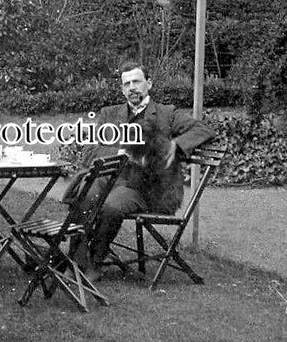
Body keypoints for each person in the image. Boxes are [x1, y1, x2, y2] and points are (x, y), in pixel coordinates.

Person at [76, 61, 215, 283]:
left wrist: (176, 146)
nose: (132, 87)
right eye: (127, 83)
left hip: (149, 188)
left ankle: (95, 262)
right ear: (122, 89)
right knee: (85, 193)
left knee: (111, 205)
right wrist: (119, 150)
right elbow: (92, 149)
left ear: (148, 84)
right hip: (115, 179)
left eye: (137, 81)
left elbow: (203, 129)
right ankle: (77, 260)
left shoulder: (166, 114)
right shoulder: (109, 115)